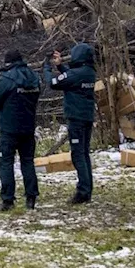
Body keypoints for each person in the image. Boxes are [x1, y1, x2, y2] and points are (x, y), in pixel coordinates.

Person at [0, 49, 42, 211]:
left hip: (9, 129)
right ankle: (31, 197)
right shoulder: (34, 77)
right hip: (28, 127)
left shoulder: (6, 80)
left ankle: (8, 200)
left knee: (5, 163)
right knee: (27, 162)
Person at [45, 43, 98, 204]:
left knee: (77, 154)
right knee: (84, 153)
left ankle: (83, 191)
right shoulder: (89, 72)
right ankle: (87, 189)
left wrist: (47, 69)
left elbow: (53, 83)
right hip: (87, 117)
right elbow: (71, 77)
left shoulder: (77, 74)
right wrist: (60, 66)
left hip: (76, 117)